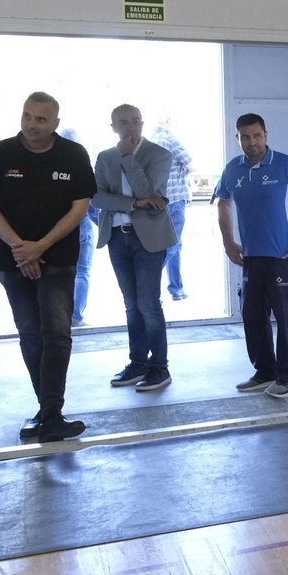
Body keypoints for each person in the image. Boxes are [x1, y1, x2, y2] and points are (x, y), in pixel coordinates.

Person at [0, 92, 97, 443]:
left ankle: (50, 414)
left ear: (55, 124)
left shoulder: (73, 155)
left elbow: (79, 209)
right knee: (30, 335)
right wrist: (21, 249)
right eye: (27, 116)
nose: (32, 124)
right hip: (13, 262)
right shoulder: (1, 153)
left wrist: (40, 247)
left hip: (58, 262)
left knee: (57, 335)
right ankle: (48, 413)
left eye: (41, 119)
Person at [214, 113, 288, 398]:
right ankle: (265, 372)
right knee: (253, 316)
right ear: (237, 138)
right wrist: (228, 242)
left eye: (257, 135)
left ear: (266, 135)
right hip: (250, 257)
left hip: (283, 256)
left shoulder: (286, 165)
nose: (252, 142)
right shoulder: (232, 169)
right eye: (245, 137)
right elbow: (223, 203)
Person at [93, 104, 177, 392]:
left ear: (142, 123)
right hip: (117, 237)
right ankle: (138, 362)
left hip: (149, 239)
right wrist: (134, 205)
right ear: (113, 127)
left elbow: (147, 190)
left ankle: (159, 366)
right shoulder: (104, 157)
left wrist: (128, 157)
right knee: (131, 305)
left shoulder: (159, 155)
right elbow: (98, 198)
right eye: (122, 123)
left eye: (134, 122)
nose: (129, 127)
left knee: (148, 304)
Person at [149, 118, 195, 301]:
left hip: (158, 200)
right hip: (175, 199)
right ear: (168, 122)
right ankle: (150, 284)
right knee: (173, 244)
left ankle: (176, 288)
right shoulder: (170, 139)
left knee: (172, 243)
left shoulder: (150, 140)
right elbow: (191, 165)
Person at [59, 127, 98, 327]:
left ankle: (60, 316)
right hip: (82, 227)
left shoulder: (53, 167)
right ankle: (75, 317)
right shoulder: (83, 167)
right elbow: (91, 202)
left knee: (62, 272)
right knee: (82, 271)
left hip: (58, 230)